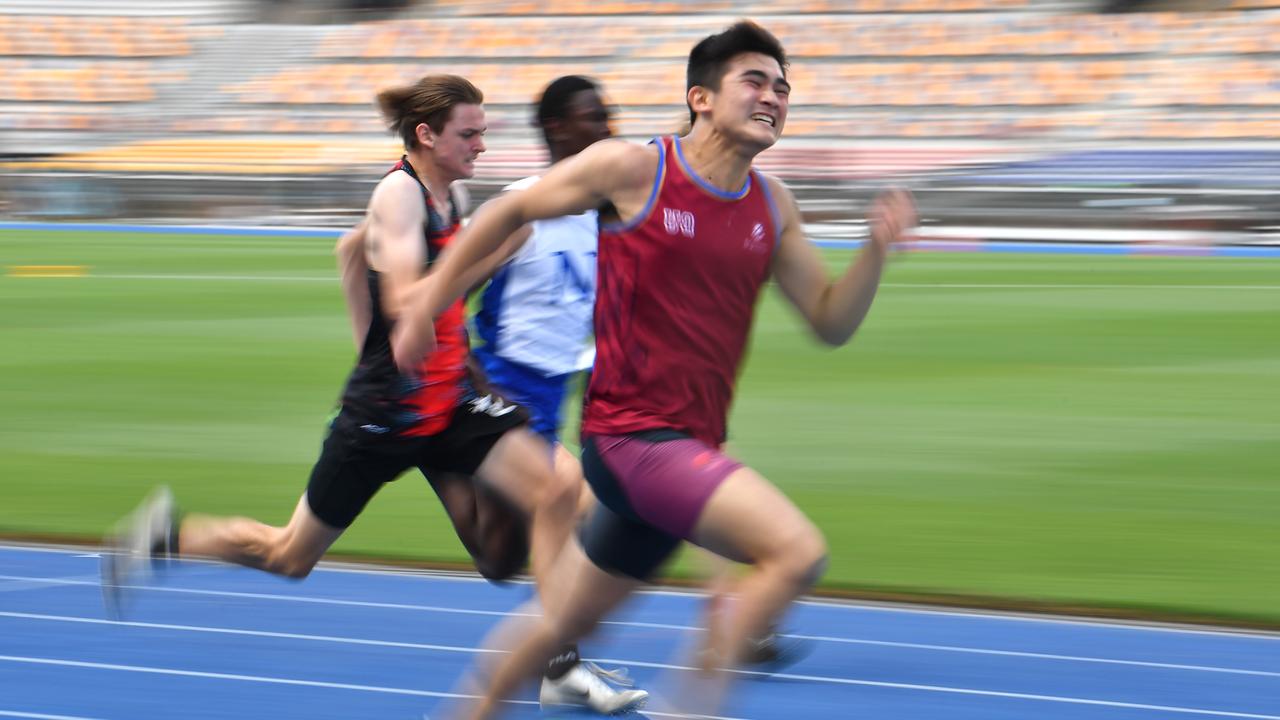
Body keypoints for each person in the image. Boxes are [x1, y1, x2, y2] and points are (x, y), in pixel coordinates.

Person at [395, 21, 918, 720]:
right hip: (631, 439)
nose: (773, 97)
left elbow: (828, 320)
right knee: (795, 552)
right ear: (701, 97)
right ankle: (692, 708)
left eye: (783, 87)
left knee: (565, 625)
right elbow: (511, 208)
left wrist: (874, 253)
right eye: (754, 81)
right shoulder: (636, 170)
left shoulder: (772, 205)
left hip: (684, 449)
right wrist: (430, 298)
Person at [100, 76, 582, 649]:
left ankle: (557, 661)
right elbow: (406, 298)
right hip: (386, 413)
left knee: (557, 490)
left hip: (447, 400)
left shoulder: (449, 195)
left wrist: (369, 343)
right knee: (290, 555)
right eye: (470, 134)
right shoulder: (398, 195)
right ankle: (165, 538)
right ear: (426, 135)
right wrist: (487, 256)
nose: (482, 146)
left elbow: (350, 249)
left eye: (483, 133)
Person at [335, 74, 647, 715]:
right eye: (595, 117)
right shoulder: (518, 209)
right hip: (501, 394)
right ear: (559, 129)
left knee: (503, 557)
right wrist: (454, 376)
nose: (608, 125)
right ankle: (560, 664)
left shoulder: (601, 212)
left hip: (549, 398)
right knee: (590, 503)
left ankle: (553, 648)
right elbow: (445, 296)